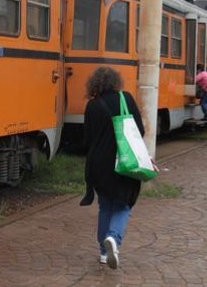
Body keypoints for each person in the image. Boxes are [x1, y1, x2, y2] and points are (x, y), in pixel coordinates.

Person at [79, 67, 145, 270]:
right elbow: (140, 130)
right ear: (116, 82)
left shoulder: (92, 105)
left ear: (95, 84)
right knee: (123, 205)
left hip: (98, 165)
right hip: (123, 161)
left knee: (105, 205)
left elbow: (87, 140)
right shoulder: (126, 98)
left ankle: (103, 252)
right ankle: (113, 239)